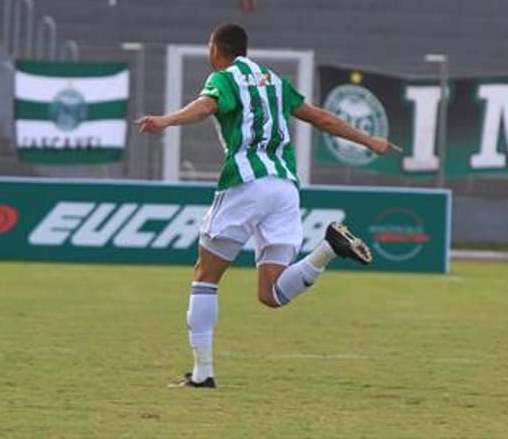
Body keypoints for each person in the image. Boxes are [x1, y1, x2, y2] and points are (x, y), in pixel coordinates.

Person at [136, 23, 395, 389]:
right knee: (270, 294)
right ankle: (327, 249)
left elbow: (205, 107)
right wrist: (368, 140)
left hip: (245, 184)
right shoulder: (274, 81)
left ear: (216, 49)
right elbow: (320, 117)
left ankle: (202, 374)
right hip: (285, 187)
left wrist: (165, 120)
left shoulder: (225, 78)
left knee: (205, 277)